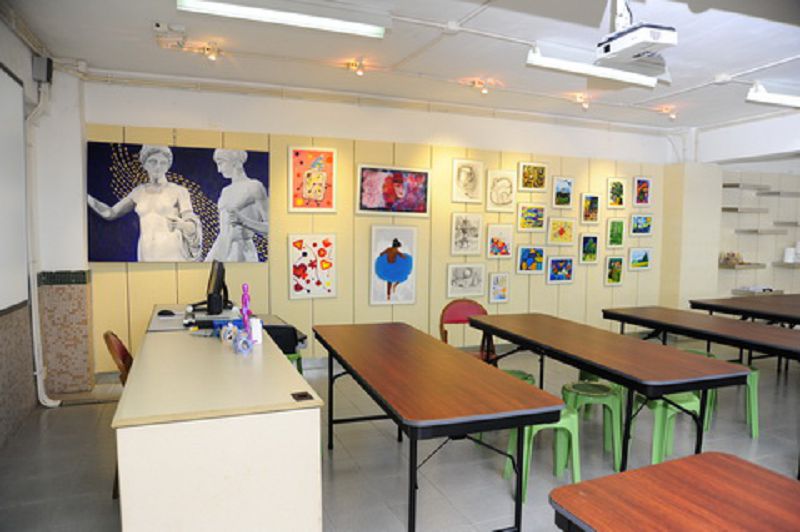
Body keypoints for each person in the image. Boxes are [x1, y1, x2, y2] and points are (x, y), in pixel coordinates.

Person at [88, 145, 202, 261]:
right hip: (146, 253)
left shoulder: (178, 191)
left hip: (171, 252)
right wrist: (86, 198)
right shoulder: (138, 192)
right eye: (153, 162)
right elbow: (110, 213)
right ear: (144, 164)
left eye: (163, 163)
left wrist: (181, 224)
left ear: (168, 166)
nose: (158, 166)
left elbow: (193, 225)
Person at [207, 148, 269, 262]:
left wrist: (245, 222)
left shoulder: (254, 187)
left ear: (234, 161)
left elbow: (270, 228)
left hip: (241, 251)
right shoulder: (225, 191)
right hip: (222, 247)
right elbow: (224, 228)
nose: (219, 170)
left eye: (221, 163)